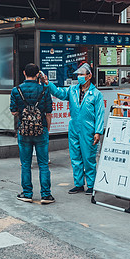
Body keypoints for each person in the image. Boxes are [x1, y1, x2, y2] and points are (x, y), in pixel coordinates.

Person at [42, 63, 105, 195]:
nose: (80, 77)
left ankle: (92, 185)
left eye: (82, 74)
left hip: (89, 130)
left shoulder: (96, 94)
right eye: (79, 74)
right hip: (74, 129)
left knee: (88, 158)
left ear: (89, 76)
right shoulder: (72, 90)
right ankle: (79, 184)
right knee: (75, 157)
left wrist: (98, 132)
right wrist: (48, 84)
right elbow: (59, 93)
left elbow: (100, 114)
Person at [10, 63, 55, 204]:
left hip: (24, 131)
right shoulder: (44, 90)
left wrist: (24, 115)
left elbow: (13, 111)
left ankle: (27, 193)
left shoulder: (16, 90)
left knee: (25, 164)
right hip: (41, 130)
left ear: (24, 73)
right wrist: (46, 128)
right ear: (37, 75)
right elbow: (48, 112)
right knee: (43, 164)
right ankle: (46, 195)